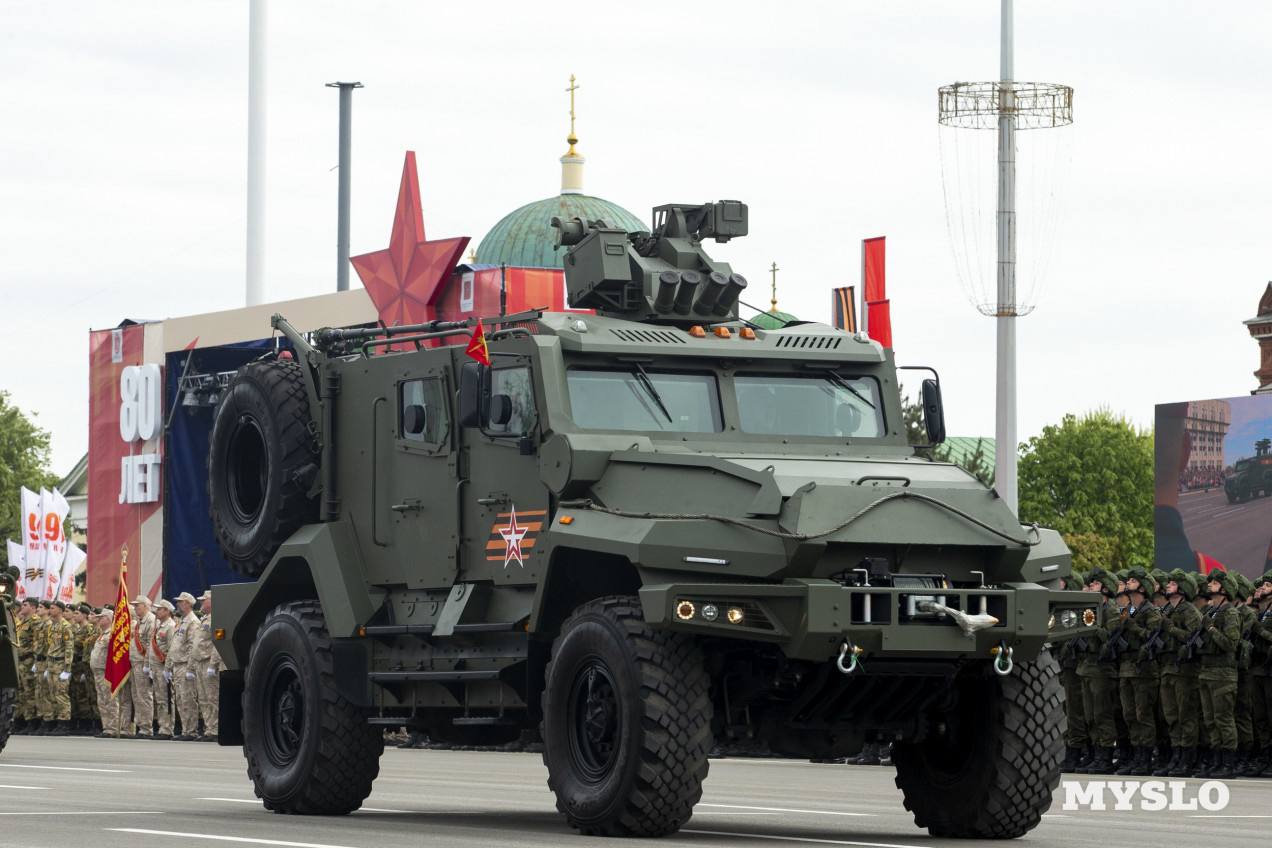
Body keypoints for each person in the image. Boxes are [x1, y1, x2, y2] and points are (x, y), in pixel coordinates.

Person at [1116, 568, 1163, 775]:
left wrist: (1132, 626)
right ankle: (1136, 755)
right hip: (1126, 669)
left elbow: (1154, 638)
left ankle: (1145, 757)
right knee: (1129, 715)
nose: (1128, 583)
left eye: (1133, 580)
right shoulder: (1129, 610)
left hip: (1143, 669)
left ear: (1143, 587)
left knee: (1143, 714)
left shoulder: (1151, 611)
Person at [1157, 571, 1204, 777]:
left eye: (1173, 583)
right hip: (1168, 669)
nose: (1168, 585)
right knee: (1171, 716)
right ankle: (1176, 755)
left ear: (1183, 588)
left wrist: (1172, 630)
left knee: (1186, 716)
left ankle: (1187, 758)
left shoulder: (1190, 611)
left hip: (1185, 671)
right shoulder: (1167, 610)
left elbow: (1196, 638)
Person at [1076, 569, 1122, 774]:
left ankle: (1105, 756)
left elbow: (1110, 638)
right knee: (1089, 715)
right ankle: (1095, 754)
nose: (1091, 586)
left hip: (1102, 669)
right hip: (1086, 667)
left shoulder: (1111, 610)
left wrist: (1093, 625)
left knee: (1102, 713)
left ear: (1105, 587)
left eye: (1095, 584)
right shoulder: (1091, 608)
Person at [1197, 570, 1241, 779]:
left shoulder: (1230, 613)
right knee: (1210, 720)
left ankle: (1228, 763)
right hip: (1206, 672)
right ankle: (1216, 761)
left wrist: (1212, 629)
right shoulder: (1210, 611)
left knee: (1223, 719)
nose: (1210, 585)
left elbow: (1230, 644)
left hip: (1223, 675)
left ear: (1224, 589)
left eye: (1215, 583)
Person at [1058, 575, 1091, 771]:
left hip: (1074, 666)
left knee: (1074, 711)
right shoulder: (1059, 609)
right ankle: (1069, 749)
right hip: (1063, 665)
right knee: (1065, 711)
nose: (1058, 584)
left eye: (1062, 581)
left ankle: (1076, 751)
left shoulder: (1078, 612)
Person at [90, 608, 127, 737]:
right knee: (102, 700)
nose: (99, 619)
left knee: (110, 700)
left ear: (109, 619)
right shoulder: (103, 633)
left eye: (102, 617)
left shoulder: (112, 633)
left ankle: (113, 728)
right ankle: (106, 727)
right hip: (98, 671)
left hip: (106, 671)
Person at [41, 600, 76, 735]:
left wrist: (67, 669)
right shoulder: (52, 626)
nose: (50, 610)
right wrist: (46, 666)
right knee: (52, 693)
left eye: (53, 608)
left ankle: (64, 723)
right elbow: (49, 646)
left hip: (61, 664)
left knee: (61, 694)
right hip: (51, 663)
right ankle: (56, 722)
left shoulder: (65, 626)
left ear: (60, 610)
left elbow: (69, 648)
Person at [170, 592, 201, 741]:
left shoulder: (192, 622)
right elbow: (175, 645)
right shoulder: (182, 621)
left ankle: (191, 730)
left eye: (181, 602)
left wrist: (190, 668)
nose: (178, 604)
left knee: (188, 699)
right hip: (177, 664)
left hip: (185, 664)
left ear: (188, 603)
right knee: (181, 699)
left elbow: (192, 647)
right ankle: (185, 729)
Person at [1250, 570, 1272, 777]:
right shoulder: (1261, 612)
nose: (1262, 588)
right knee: (1260, 717)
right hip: (1257, 669)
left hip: (1269, 670)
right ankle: (1264, 758)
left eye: (1267, 585)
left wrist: (1259, 630)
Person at [193, 590, 223, 741]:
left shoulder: (217, 618)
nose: (201, 603)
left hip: (209, 662)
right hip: (199, 662)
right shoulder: (204, 619)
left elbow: (218, 643)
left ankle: (216, 729)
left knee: (213, 698)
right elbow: (196, 644)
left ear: (212, 601)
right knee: (203, 698)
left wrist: (213, 664)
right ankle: (209, 729)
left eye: (204, 600)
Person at [129, 595, 158, 738]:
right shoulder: (139, 621)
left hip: (142, 663)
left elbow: (149, 645)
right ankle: (140, 726)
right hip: (135, 662)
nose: (135, 608)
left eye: (137, 605)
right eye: (134, 606)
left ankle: (146, 728)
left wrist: (147, 664)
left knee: (144, 696)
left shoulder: (151, 620)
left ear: (146, 606)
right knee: (137, 696)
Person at [151, 599, 177, 739]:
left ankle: (167, 729)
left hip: (163, 666)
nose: (157, 611)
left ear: (167, 611)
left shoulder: (170, 626)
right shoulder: (159, 626)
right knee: (160, 699)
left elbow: (171, 648)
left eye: (160, 609)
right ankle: (162, 727)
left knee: (166, 698)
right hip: (156, 667)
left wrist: (168, 668)